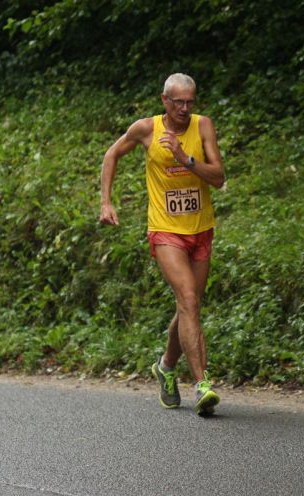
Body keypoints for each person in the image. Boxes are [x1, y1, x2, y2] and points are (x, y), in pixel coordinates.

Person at [99, 73, 225, 415]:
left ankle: (166, 366)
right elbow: (111, 156)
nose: (185, 108)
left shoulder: (203, 127)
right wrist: (106, 203)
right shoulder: (146, 129)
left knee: (190, 306)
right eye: (178, 102)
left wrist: (185, 159)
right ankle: (202, 385)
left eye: (190, 102)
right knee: (186, 299)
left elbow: (219, 177)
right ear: (164, 101)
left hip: (201, 230)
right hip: (165, 230)